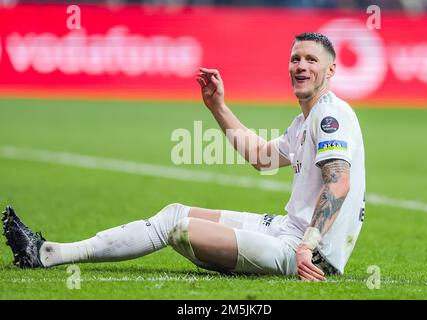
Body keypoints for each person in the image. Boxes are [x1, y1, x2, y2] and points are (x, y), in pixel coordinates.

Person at [2, 32, 365, 281]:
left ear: (331, 69)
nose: (300, 66)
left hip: (309, 255)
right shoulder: (305, 119)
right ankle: (50, 252)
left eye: (311, 60)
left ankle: (48, 254)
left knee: (180, 230)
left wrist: (306, 248)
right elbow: (262, 158)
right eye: (295, 58)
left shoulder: (329, 115)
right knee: (173, 214)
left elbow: (339, 181)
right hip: (289, 232)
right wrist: (217, 106)